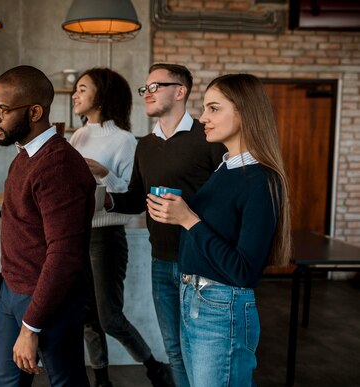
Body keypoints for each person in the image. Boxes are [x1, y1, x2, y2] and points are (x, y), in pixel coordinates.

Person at [146, 73, 291, 386]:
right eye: (204, 109)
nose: (203, 118)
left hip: (221, 309)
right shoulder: (226, 168)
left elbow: (244, 272)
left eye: (213, 109)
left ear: (243, 111)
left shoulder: (261, 179)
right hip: (197, 300)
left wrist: (188, 219)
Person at [107, 63, 226, 387]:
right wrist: (105, 200)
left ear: (180, 91)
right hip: (161, 261)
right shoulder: (144, 144)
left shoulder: (209, 137)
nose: (147, 93)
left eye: (155, 86)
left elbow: (228, 200)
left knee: (199, 349)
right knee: (173, 348)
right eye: (144, 88)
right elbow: (135, 199)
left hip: (202, 263)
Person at [0, 65, 95, 387]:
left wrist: (31, 325)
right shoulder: (24, 156)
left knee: (66, 382)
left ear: (34, 112)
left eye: (2, 110)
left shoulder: (58, 165)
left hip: (48, 300)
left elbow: (64, 255)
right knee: (7, 383)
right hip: (14, 291)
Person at [70, 67, 170, 387]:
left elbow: (130, 195)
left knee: (109, 319)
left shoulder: (126, 141)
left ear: (102, 95)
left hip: (106, 238)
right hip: (77, 236)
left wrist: (103, 172)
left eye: (83, 89)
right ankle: (101, 380)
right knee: (86, 316)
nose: (76, 94)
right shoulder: (77, 135)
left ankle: (155, 368)